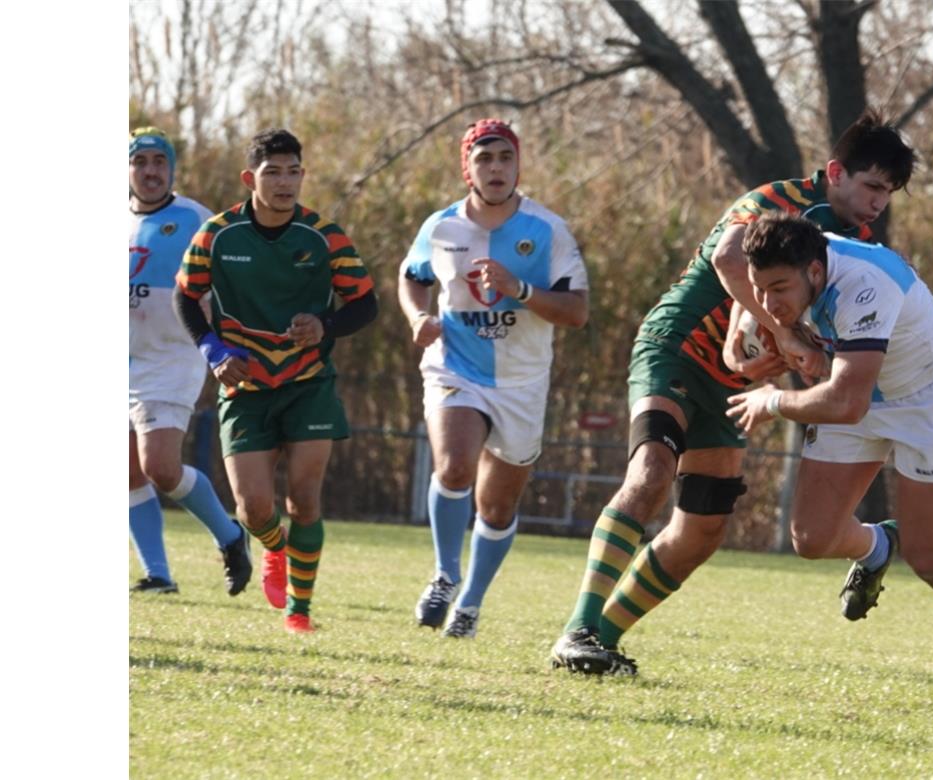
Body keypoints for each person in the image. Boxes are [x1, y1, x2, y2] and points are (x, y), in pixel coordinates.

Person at [550, 110, 915, 675]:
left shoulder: (856, 244)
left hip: (735, 385)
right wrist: (784, 334)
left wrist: (807, 359)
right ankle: (578, 628)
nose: (877, 203)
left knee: (701, 529)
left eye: (887, 194)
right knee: (650, 474)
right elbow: (728, 259)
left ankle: (598, 640)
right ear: (836, 172)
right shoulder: (781, 198)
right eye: (871, 186)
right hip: (677, 346)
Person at [726, 212, 933, 704]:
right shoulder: (786, 271)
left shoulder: (865, 284)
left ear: (815, 272)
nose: (769, 304)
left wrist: (771, 401)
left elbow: (846, 403)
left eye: (779, 288)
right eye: (761, 288)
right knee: (812, 539)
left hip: (926, 397)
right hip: (857, 387)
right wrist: (769, 334)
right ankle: (876, 547)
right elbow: (725, 258)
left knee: (929, 556)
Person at [176, 128, 377, 633]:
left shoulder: (325, 236)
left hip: (308, 382)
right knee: (253, 508)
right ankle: (274, 549)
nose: (285, 182)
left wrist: (325, 326)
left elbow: (365, 303)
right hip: (243, 387)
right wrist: (213, 350)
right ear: (251, 179)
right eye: (273, 172)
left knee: (303, 500)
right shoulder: (217, 234)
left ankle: (299, 610)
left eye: (293, 171)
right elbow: (185, 296)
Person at [398, 119, 589, 638]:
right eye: (485, 158)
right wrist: (419, 318)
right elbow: (412, 277)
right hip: (455, 364)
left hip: (523, 382)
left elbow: (576, 312)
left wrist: (520, 290)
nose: (496, 167)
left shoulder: (547, 230)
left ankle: (471, 604)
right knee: (455, 467)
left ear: (518, 165)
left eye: (505, 157)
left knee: (497, 504)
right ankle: (444, 573)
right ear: (468, 168)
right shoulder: (441, 227)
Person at [128, 126, 252, 595]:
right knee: (126, 473)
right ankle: (158, 574)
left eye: (159, 161)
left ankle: (229, 534)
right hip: (124, 361)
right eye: (141, 162)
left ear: (171, 169)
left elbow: (230, 283)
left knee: (160, 465)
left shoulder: (197, 220)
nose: (151, 170)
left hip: (172, 359)